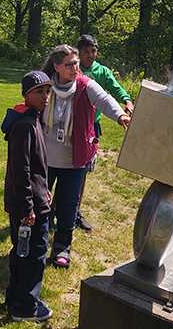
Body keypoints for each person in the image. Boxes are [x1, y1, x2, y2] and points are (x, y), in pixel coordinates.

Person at [40, 44, 130, 268]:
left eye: (76, 63)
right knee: (40, 201)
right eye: (69, 64)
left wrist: (120, 115)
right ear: (57, 66)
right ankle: (38, 243)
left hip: (75, 158)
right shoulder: (44, 84)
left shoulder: (84, 85)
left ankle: (62, 247)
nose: (75, 67)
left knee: (69, 203)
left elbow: (104, 99)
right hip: (45, 157)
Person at [1, 71, 54, 322]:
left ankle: (15, 297)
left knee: (22, 251)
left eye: (47, 91)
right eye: (39, 92)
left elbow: (36, 167)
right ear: (26, 95)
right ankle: (25, 307)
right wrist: (28, 208)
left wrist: (46, 190)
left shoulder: (32, 119)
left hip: (33, 198)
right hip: (28, 205)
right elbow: (21, 170)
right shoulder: (24, 125)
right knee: (34, 254)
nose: (45, 96)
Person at [75, 34, 134, 232]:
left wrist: (126, 100)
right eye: (86, 51)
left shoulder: (102, 72)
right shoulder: (72, 69)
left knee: (82, 172)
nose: (90, 55)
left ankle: (75, 211)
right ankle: (51, 209)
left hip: (92, 127)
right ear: (79, 52)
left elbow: (115, 88)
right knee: (62, 167)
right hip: (71, 125)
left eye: (93, 51)